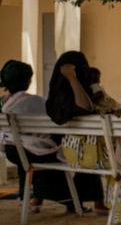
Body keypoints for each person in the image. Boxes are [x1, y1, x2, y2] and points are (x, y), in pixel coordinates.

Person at [1, 60, 84, 213]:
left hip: (13, 151)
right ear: (28, 81)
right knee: (53, 153)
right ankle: (68, 201)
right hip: (35, 152)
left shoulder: (5, 105)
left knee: (32, 154)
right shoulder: (39, 102)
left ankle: (35, 198)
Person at [43, 51, 110, 214]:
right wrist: (72, 78)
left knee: (86, 150)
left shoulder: (53, 99)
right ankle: (98, 202)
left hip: (70, 151)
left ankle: (84, 201)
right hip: (70, 153)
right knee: (89, 152)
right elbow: (85, 107)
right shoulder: (63, 100)